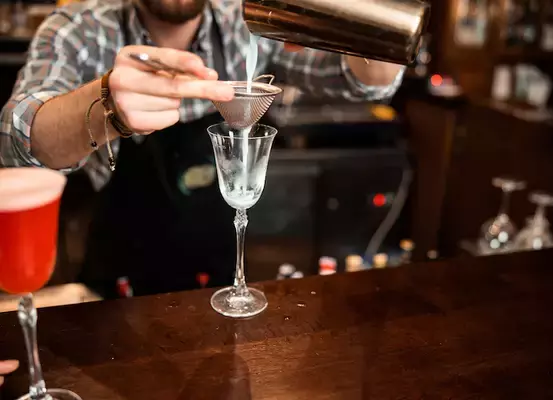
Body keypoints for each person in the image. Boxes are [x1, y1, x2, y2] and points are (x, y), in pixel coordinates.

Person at [0, 0, 405, 299]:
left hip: (219, 280)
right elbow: (16, 139)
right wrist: (103, 105)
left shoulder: (250, 22)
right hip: (117, 287)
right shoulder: (81, 28)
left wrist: (368, 13)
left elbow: (364, 81)